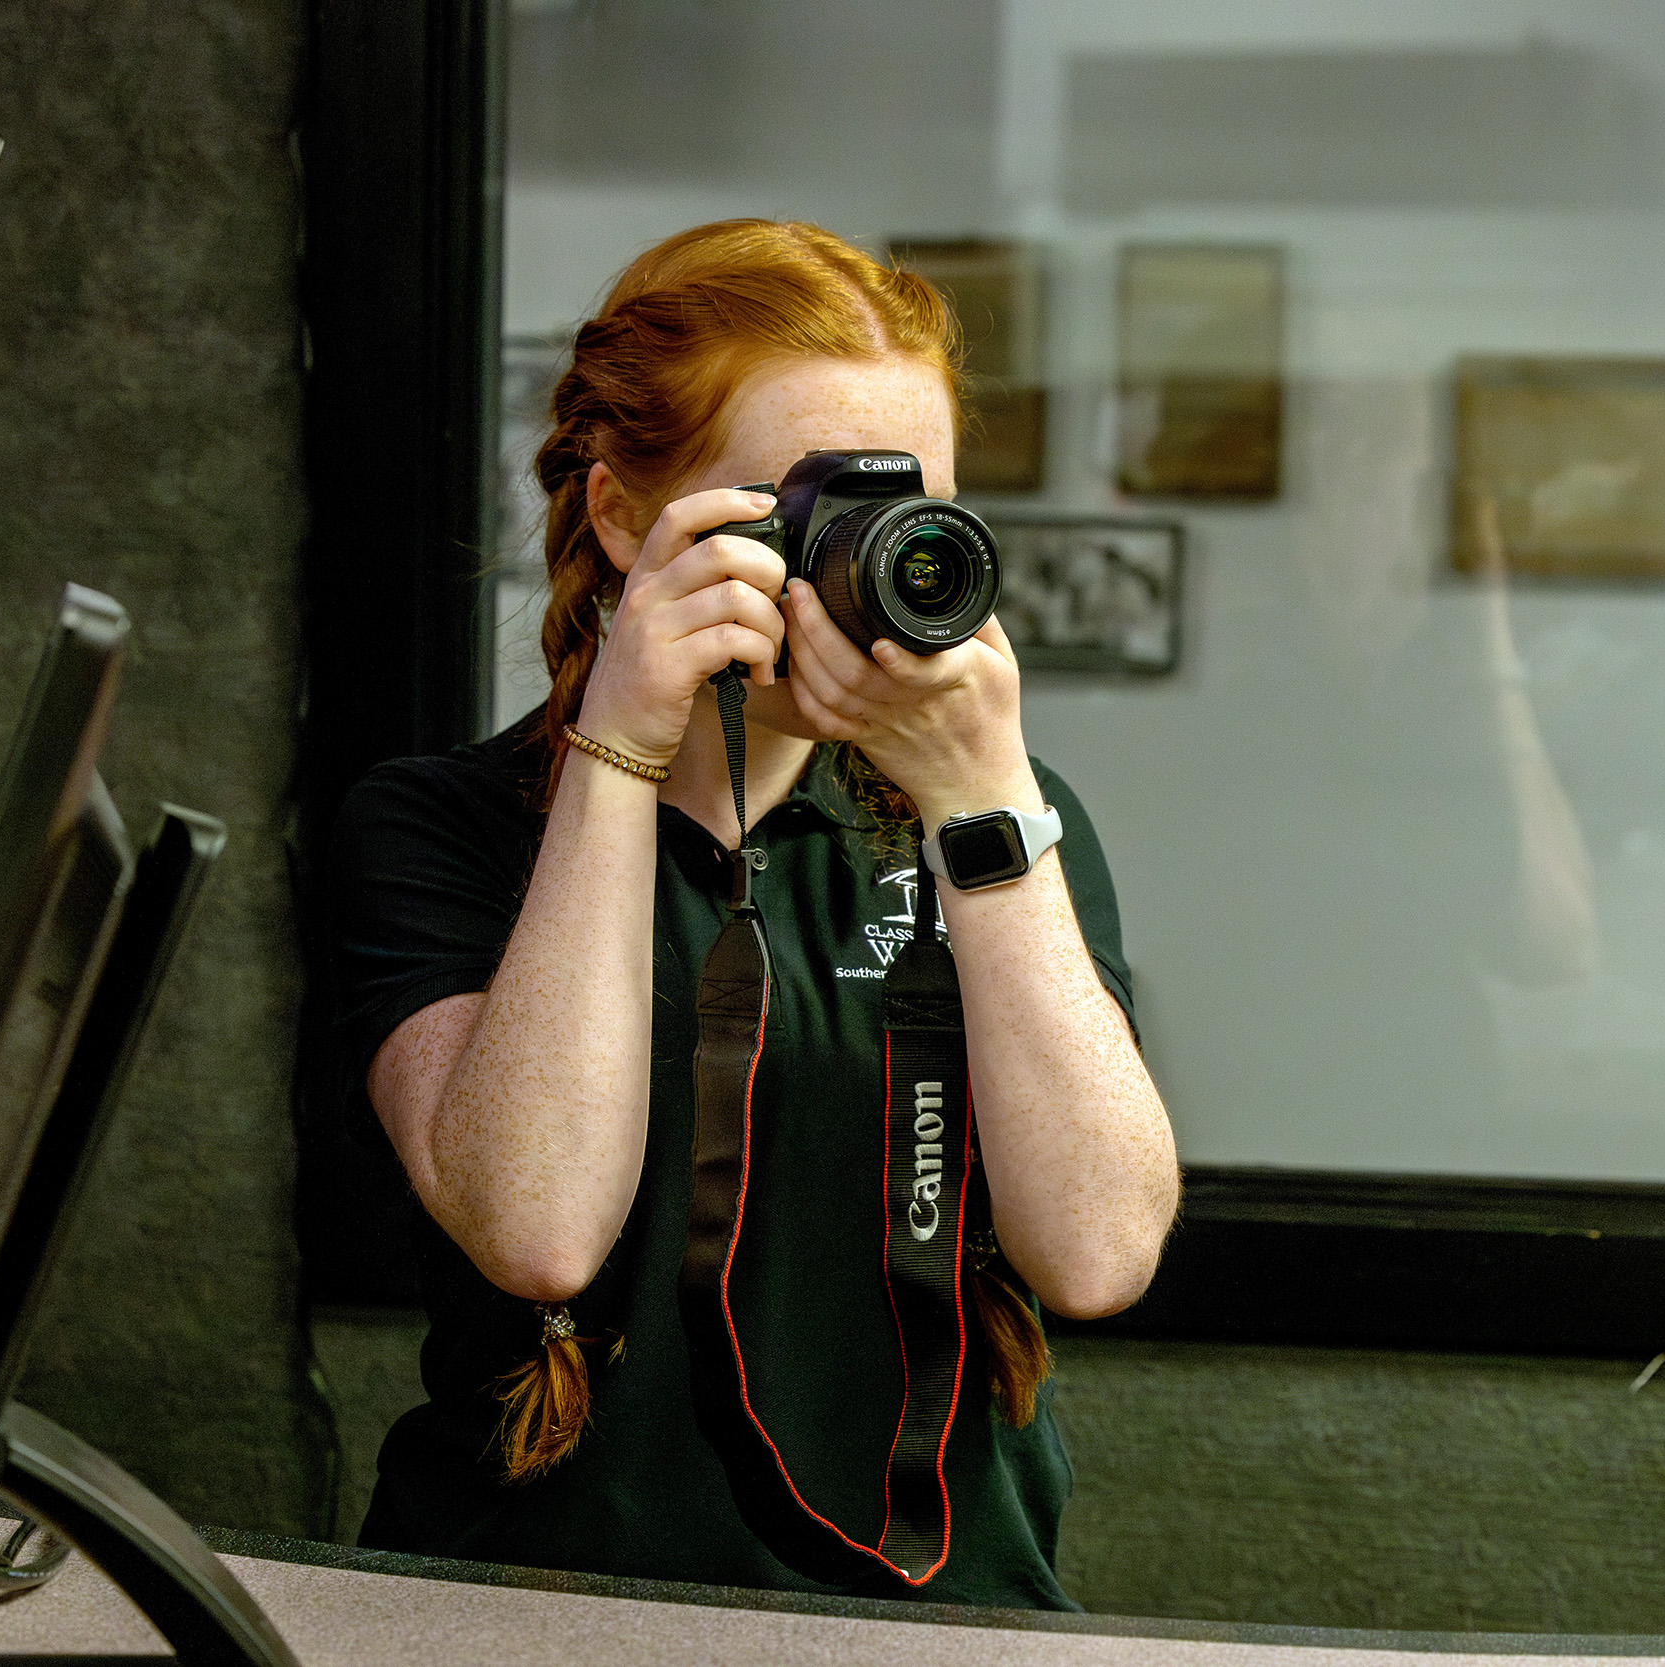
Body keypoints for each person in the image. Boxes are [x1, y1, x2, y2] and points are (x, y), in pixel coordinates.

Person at [327, 220, 1179, 1609]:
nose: (865, 559)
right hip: (524, 1615)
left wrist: (987, 802)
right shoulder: (443, 827)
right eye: (803, 510)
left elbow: (1097, 1254)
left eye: (912, 505)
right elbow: (535, 1229)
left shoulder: (1005, 829)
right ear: (620, 516)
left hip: (941, 1615)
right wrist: (619, 748)